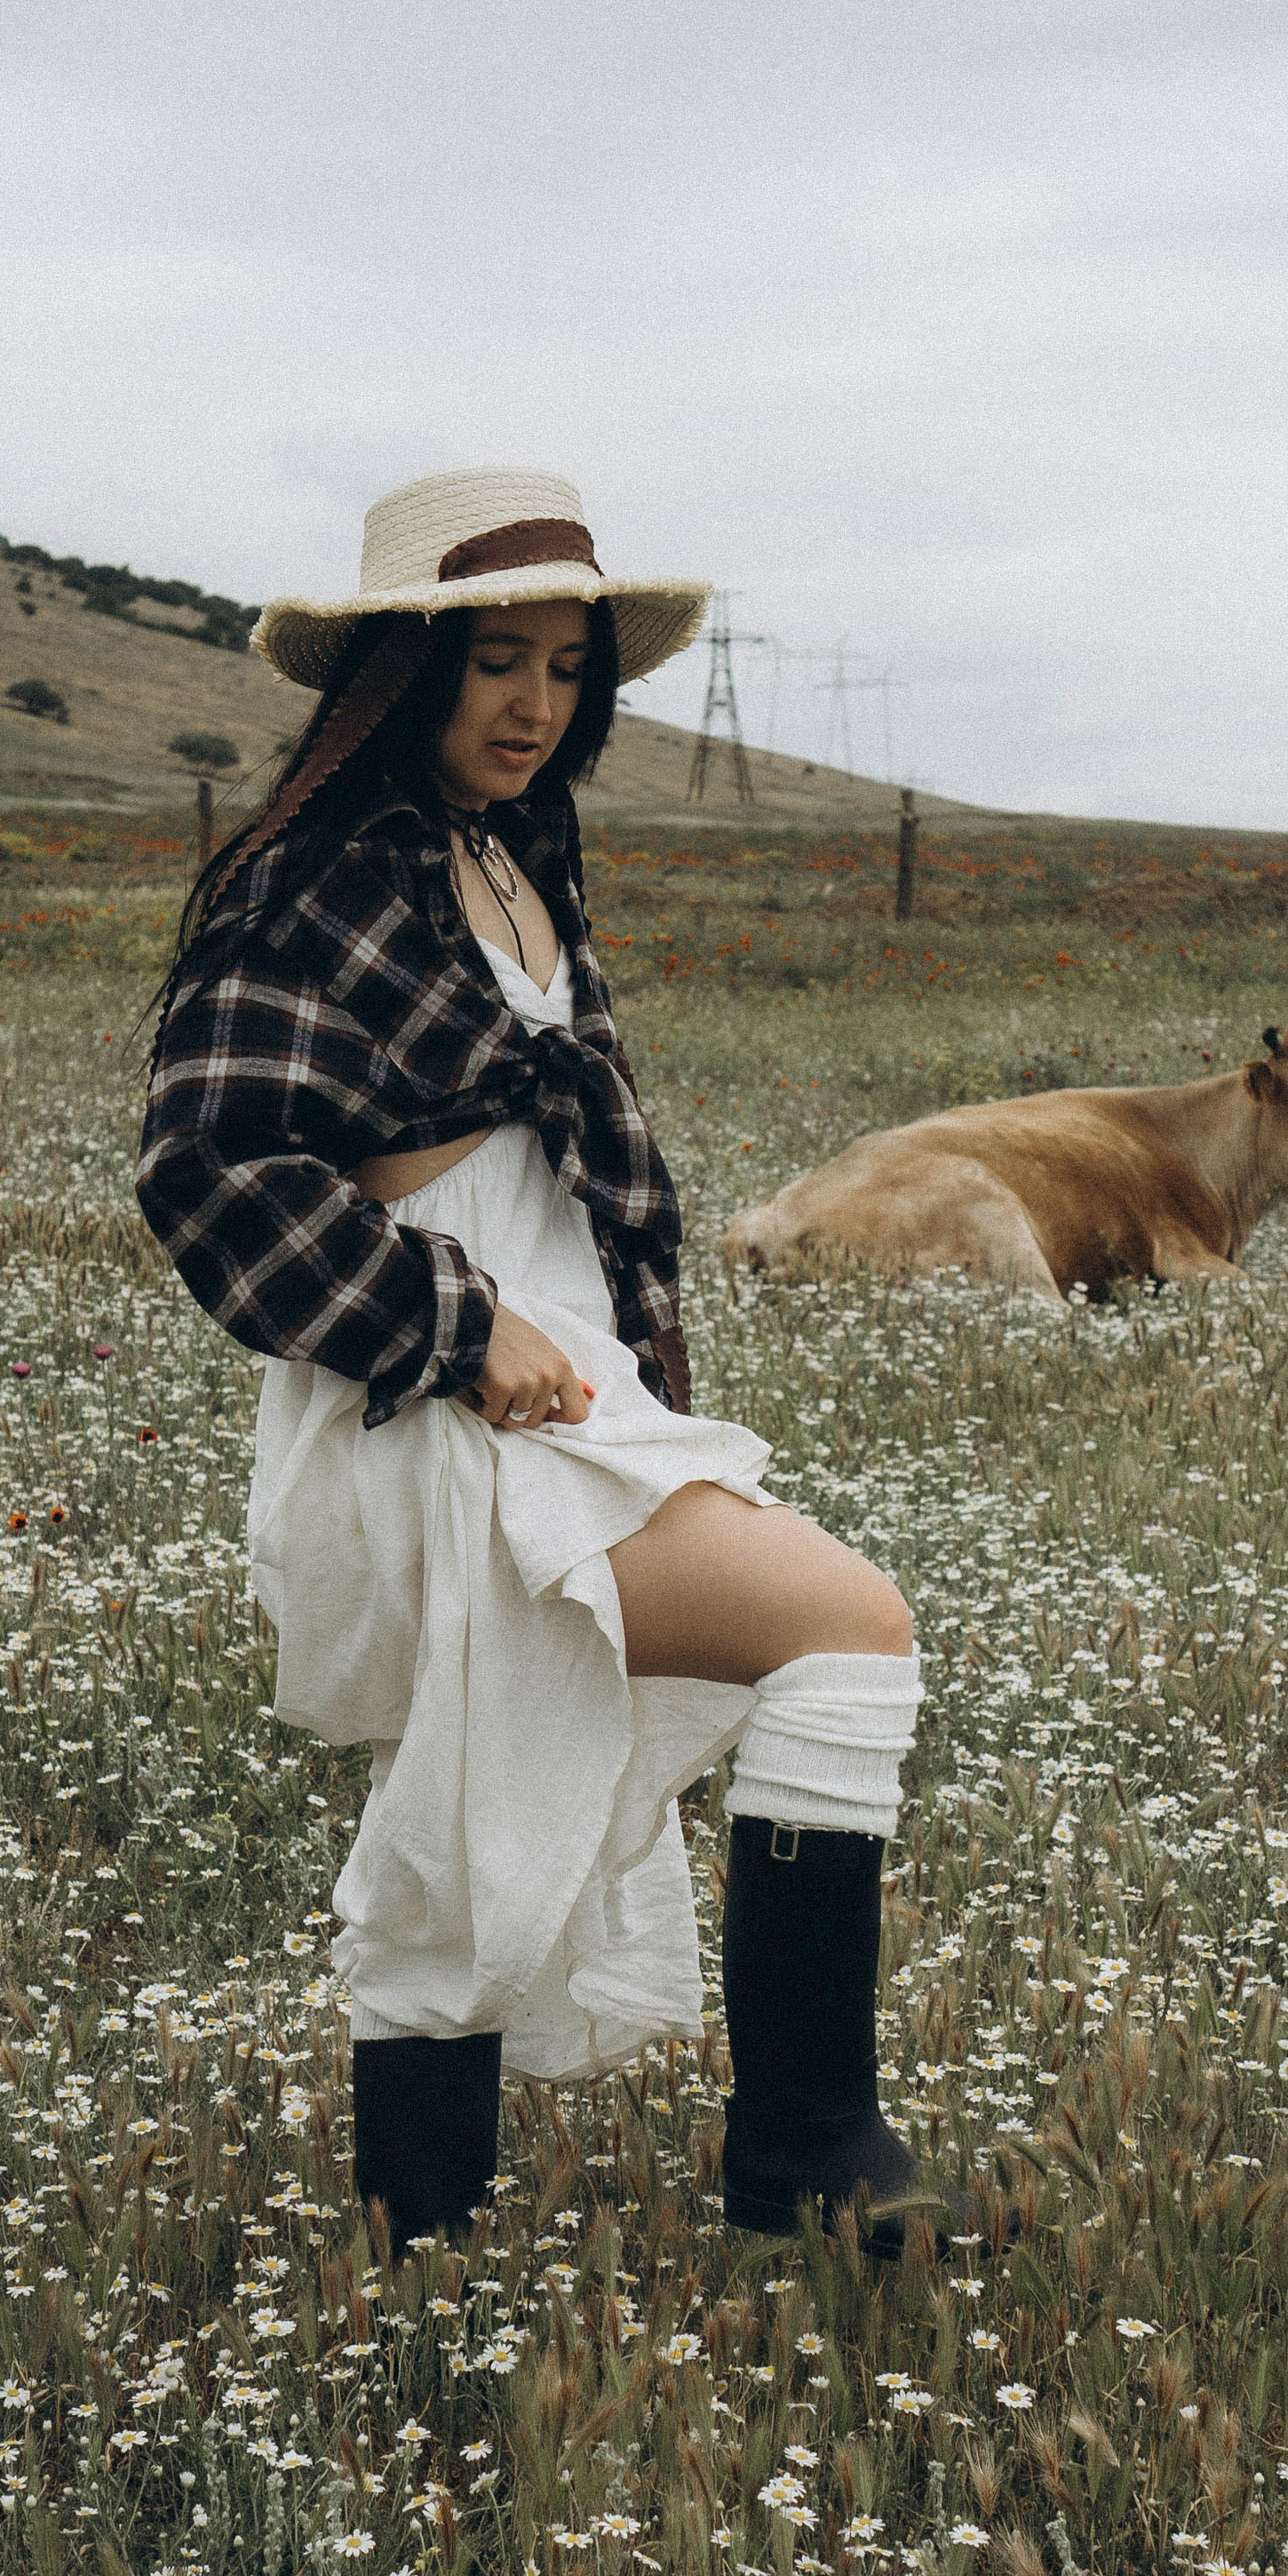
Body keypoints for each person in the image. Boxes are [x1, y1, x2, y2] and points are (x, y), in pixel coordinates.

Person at [137, 469, 939, 2253]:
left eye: (565, 668)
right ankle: (803, 2153)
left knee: (479, 1794)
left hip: (565, 1392)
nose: (530, 702)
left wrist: (603, 1357)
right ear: (399, 677)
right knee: (847, 1629)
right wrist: (452, 1322)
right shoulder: (319, 875)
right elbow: (204, 1173)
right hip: (430, 1399)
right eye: (492, 660)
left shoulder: (511, 858)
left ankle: (423, 2236)